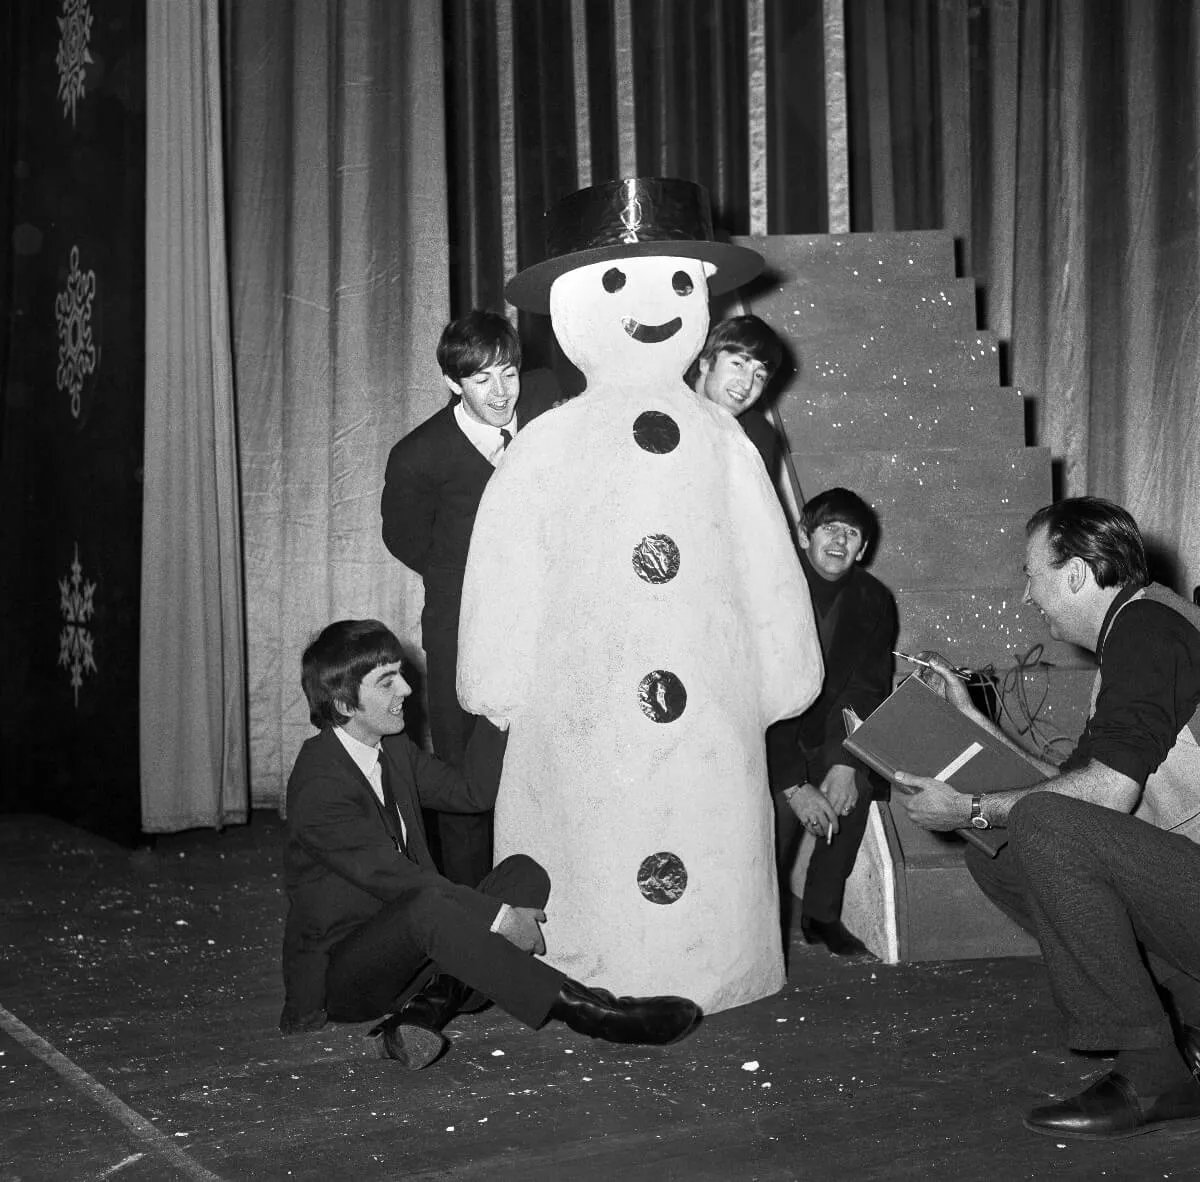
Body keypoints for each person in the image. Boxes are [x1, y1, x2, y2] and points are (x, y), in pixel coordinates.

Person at [895, 497, 1200, 1138]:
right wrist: (973, 724)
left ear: (1076, 575)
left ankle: (1153, 1075)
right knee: (1001, 850)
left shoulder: (1148, 632)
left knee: (1029, 827)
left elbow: (1102, 799)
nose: (1029, 595)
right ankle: (1189, 1026)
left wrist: (973, 805)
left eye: (1032, 573)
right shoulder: (1138, 630)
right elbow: (1070, 793)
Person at [279, 619, 702, 1070]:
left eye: (400, 673)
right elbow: (399, 882)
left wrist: (497, 712)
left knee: (523, 873)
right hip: (350, 976)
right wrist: (500, 919)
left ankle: (425, 1011)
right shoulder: (319, 782)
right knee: (427, 905)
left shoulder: (393, 749)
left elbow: (470, 793)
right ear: (345, 704)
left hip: (413, 956)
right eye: (386, 682)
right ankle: (598, 1013)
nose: (406, 688)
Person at [380, 310, 559, 887]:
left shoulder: (547, 402)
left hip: (549, 624)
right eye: (482, 380)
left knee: (550, 761)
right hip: (462, 628)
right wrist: (475, 582)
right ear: (453, 383)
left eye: (509, 373)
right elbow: (404, 540)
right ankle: (467, 924)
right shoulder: (418, 455)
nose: (502, 392)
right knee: (464, 773)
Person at [772, 489, 897, 956]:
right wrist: (793, 786)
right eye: (830, 528)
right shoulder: (770, 584)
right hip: (764, 738)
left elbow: (866, 690)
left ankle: (821, 915)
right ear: (805, 535)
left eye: (852, 532)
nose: (840, 541)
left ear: (862, 548)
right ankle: (763, 922)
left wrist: (845, 763)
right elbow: (761, 698)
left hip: (826, 731)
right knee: (781, 815)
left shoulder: (873, 599)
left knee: (856, 790)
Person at [688, 313, 785, 481]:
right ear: (705, 363)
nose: (747, 384)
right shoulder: (661, 402)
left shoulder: (758, 436)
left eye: (759, 376)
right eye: (738, 364)